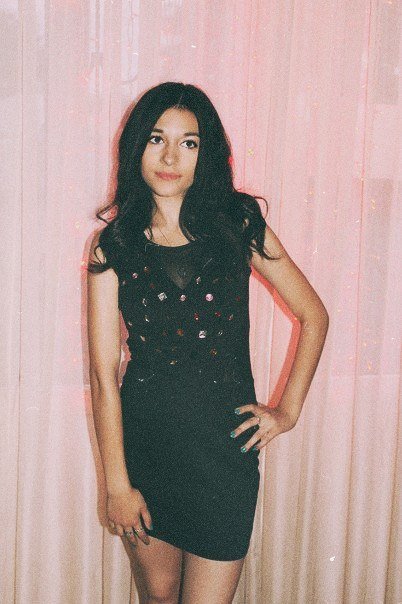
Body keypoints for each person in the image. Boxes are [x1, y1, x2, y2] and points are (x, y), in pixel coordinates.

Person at [87, 81, 329, 604]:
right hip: (146, 447)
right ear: (136, 147)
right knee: (158, 593)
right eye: (157, 138)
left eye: (189, 142)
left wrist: (287, 411)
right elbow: (104, 375)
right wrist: (116, 485)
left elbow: (313, 315)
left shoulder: (238, 225)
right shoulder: (113, 245)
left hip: (224, 453)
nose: (171, 156)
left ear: (206, 153)